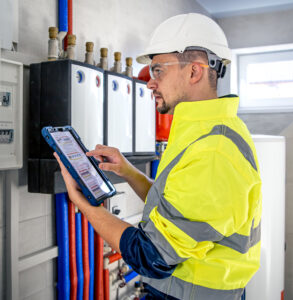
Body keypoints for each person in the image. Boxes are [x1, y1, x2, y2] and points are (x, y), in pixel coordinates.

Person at [55, 13, 262, 300]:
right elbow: (178, 210)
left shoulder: (214, 149)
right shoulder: (203, 131)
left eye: (158, 71)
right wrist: (128, 171)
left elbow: (151, 255)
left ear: (194, 72)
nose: (149, 83)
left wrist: (84, 204)